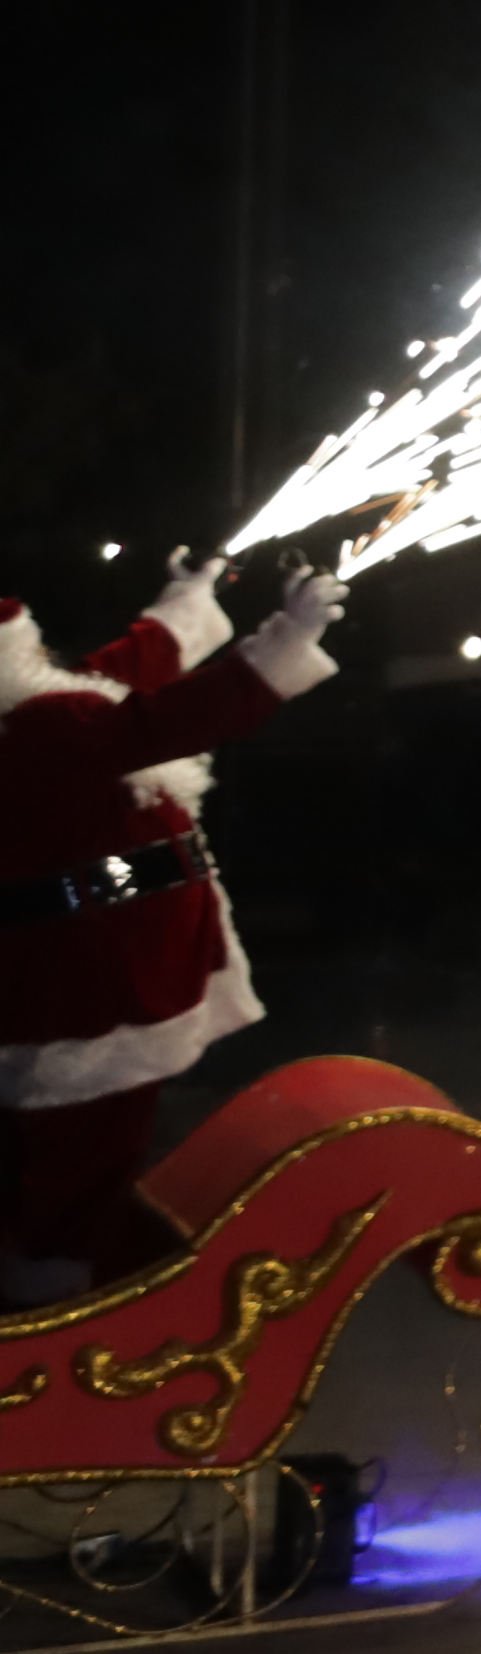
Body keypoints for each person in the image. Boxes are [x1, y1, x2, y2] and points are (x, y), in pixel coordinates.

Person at [4, 552, 341, 1298]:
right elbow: (162, 718)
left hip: (65, 974)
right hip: (96, 986)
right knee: (79, 1156)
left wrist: (189, 599)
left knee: (63, 1146)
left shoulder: (36, 714)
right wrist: (286, 638)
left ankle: (48, 1277)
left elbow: (114, 672)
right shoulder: (44, 725)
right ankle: (49, 1315)